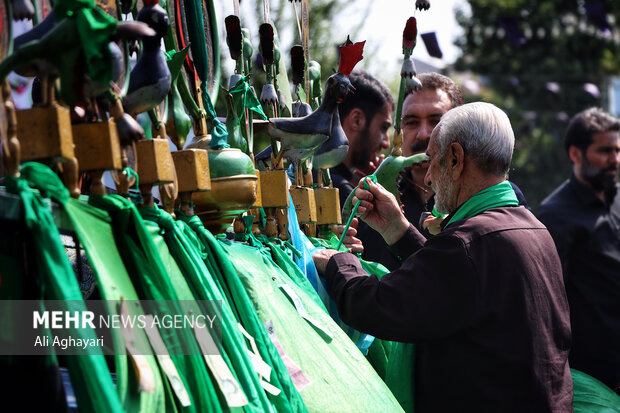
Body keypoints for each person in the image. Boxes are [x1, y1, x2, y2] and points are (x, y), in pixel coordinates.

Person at [314, 102, 573, 412]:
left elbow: (380, 307)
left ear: (455, 158)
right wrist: (399, 230)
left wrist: (339, 264)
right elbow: (455, 286)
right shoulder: (531, 227)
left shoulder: (468, 243)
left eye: (433, 160)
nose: (428, 179)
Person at [537, 107, 620, 393]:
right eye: (605, 151)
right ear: (575, 154)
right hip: (594, 377)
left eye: (618, 150)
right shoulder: (555, 215)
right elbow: (549, 304)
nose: (615, 160)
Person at [330, 70, 394, 207]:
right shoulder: (338, 191)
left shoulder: (311, 171)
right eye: (383, 127)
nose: (386, 143)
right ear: (357, 120)